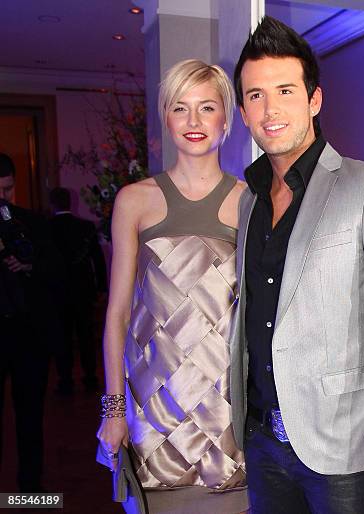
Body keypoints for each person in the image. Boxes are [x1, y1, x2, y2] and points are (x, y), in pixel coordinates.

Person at [229, 16, 364, 514]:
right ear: (242, 111)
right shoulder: (249, 200)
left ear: (314, 100)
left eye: (285, 90)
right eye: (256, 96)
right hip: (260, 438)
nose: (270, 108)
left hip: (342, 447)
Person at [96, 60, 249, 514]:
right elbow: (118, 314)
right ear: (166, 117)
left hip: (227, 417)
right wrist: (113, 410)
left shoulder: (251, 202)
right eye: (181, 108)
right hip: (153, 414)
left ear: (227, 118)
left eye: (207, 107)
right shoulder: (134, 200)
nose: (194, 121)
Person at [0, 153, 62, 491]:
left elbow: (57, 273)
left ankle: (29, 490)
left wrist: (30, 266)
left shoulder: (32, 223)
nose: (4, 199)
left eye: (8, 190)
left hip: (28, 335)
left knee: (30, 416)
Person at [49, 186, 108, 394]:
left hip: (57, 291)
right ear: (69, 203)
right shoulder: (85, 227)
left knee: (62, 337)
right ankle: (90, 376)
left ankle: (65, 380)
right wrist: (102, 286)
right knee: (86, 334)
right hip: (83, 289)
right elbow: (98, 261)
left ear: (52, 204)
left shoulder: (48, 227)